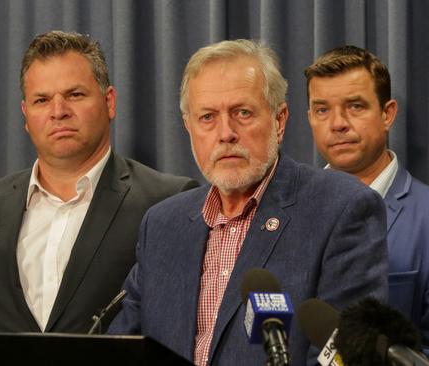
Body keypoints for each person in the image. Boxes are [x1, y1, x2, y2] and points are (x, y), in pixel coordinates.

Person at [108, 39, 388, 366]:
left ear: (279, 120)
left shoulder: (342, 208)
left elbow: (348, 358)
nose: (225, 133)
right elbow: (121, 349)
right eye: (208, 117)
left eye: (242, 113)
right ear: (188, 126)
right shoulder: (161, 225)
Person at [0, 30, 198, 333]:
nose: (58, 112)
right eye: (42, 100)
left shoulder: (165, 202)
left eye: (75, 95)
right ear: (25, 115)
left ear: (109, 102)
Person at [304, 45, 429, 361]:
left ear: (387, 114)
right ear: (310, 117)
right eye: (322, 110)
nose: (337, 124)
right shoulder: (289, 211)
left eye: (355, 106)